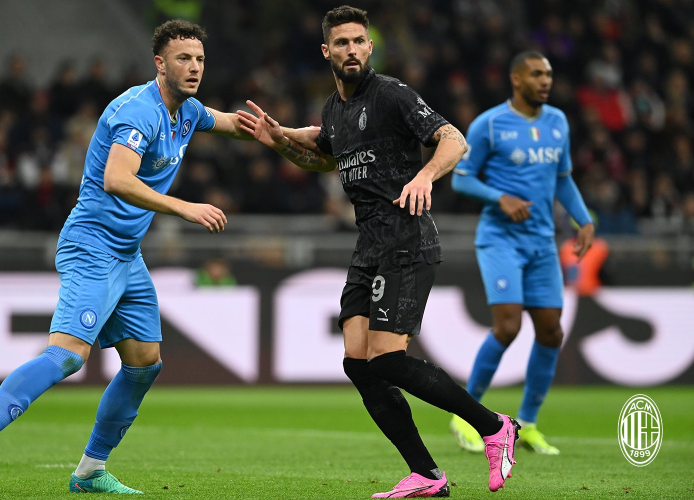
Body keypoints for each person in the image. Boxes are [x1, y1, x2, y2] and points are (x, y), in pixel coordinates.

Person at [0, 19, 261, 495]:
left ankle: (91, 469)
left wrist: (293, 134)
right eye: (183, 59)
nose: (194, 67)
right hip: (92, 245)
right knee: (68, 356)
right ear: (160, 64)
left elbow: (236, 124)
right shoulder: (138, 111)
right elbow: (117, 179)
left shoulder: (188, 111)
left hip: (126, 254)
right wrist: (184, 207)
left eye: (199, 59)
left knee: (144, 362)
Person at [238, 6, 520, 497]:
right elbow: (323, 155)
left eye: (359, 41)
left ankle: (494, 427)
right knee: (358, 363)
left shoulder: (390, 94)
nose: (351, 50)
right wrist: (279, 139)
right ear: (326, 51)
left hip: (407, 239)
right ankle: (427, 475)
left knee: (387, 360)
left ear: (370, 47)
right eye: (341, 43)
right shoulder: (334, 109)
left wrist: (424, 175)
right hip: (370, 246)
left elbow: (453, 140)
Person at [450, 51, 595, 455]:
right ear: (516, 79)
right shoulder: (489, 124)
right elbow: (461, 180)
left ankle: (528, 424)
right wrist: (500, 198)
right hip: (500, 240)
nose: (545, 80)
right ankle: (465, 416)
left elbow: (562, 178)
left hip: (542, 242)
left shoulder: (558, 121)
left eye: (548, 74)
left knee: (551, 332)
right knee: (508, 326)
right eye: (536, 74)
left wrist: (584, 220)